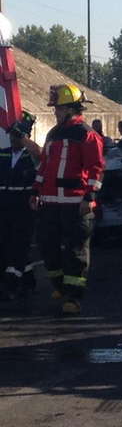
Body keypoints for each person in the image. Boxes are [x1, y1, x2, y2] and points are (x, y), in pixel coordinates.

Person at [29, 84, 105, 314]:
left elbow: (96, 169)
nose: (55, 112)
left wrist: (88, 197)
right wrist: (35, 191)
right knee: (46, 244)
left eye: (59, 108)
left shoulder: (87, 135)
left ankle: (73, 296)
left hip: (75, 203)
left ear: (72, 110)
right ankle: (59, 286)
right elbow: (44, 165)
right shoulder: (53, 134)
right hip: (51, 203)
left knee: (76, 250)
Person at [0, 112, 41, 300]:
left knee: (18, 246)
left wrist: (24, 136)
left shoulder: (32, 155)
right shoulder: (4, 153)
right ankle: (29, 281)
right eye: (12, 135)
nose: (13, 138)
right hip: (5, 207)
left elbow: (39, 155)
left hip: (25, 209)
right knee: (7, 245)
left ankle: (10, 285)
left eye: (16, 135)